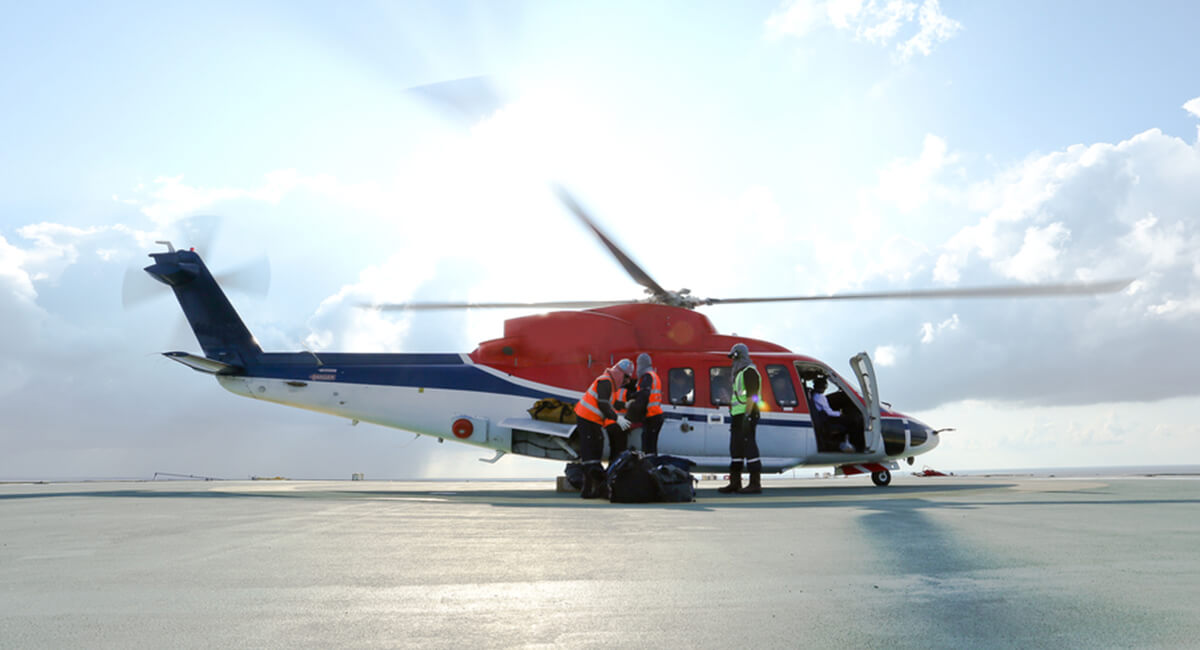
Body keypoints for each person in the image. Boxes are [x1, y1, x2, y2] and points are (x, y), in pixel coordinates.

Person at [573, 358, 634, 498]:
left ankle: (592, 489)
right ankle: (590, 490)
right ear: (620, 374)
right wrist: (617, 418)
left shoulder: (610, 384)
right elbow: (603, 405)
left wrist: (625, 405)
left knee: (596, 448)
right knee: (591, 452)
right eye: (626, 378)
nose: (626, 382)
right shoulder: (605, 382)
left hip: (592, 420)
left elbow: (611, 403)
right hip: (587, 419)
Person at [718, 343, 763, 494]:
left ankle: (755, 483)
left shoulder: (749, 372)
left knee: (749, 447)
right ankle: (735, 482)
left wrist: (747, 415)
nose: (732, 360)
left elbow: (752, 396)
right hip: (738, 416)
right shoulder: (738, 373)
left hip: (747, 415)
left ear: (739, 355)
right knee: (735, 448)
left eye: (733, 356)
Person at [625, 353, 665, 455]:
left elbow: (644, 395)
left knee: (648, 446)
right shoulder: (654, 376)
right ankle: (652, 465)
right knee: (651, 445)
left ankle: (650, 466)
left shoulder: (647, 377)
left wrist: (631, 415)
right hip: (656, 415)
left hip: (652, 416)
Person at [813, 377, 854, 453]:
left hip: (821, 419)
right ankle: (847, 444)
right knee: (850, 422)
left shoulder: (814, 395)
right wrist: (840, 414)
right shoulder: (820, 397)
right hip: (824, 421)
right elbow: (829, 412)